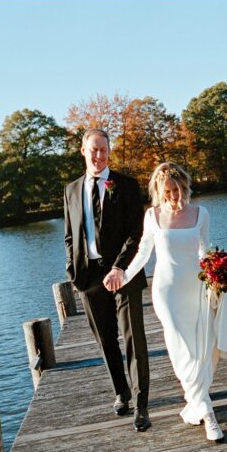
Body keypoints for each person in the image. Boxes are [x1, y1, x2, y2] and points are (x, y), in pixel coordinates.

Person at [104, 162, 227, 442]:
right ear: (159, 191)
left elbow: (204, 252)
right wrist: (122, 275)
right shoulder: (152, 216)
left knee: (203, 349)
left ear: (185, 187)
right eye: (168, 192)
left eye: (178, 190)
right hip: (167, 292)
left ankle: (196, 403)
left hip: (197, 289)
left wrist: (220, 272)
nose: (174, 197)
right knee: (183, 351)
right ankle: (208, 415)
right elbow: (143, 253)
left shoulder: (200, 214)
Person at [63, 128, 151, 432]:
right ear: (83, 151)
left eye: (104, 150)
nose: (99, 156)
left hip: (124, 273)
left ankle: (141, 404)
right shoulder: (71, 190)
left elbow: (136, 233)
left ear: (109, 152)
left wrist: (120, 268)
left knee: (133, 338)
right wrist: (73, 273)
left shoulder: (126, 185)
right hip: (89, 276)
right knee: (105, 339)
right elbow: (70, 235)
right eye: (93, 150)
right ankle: (121, 392)